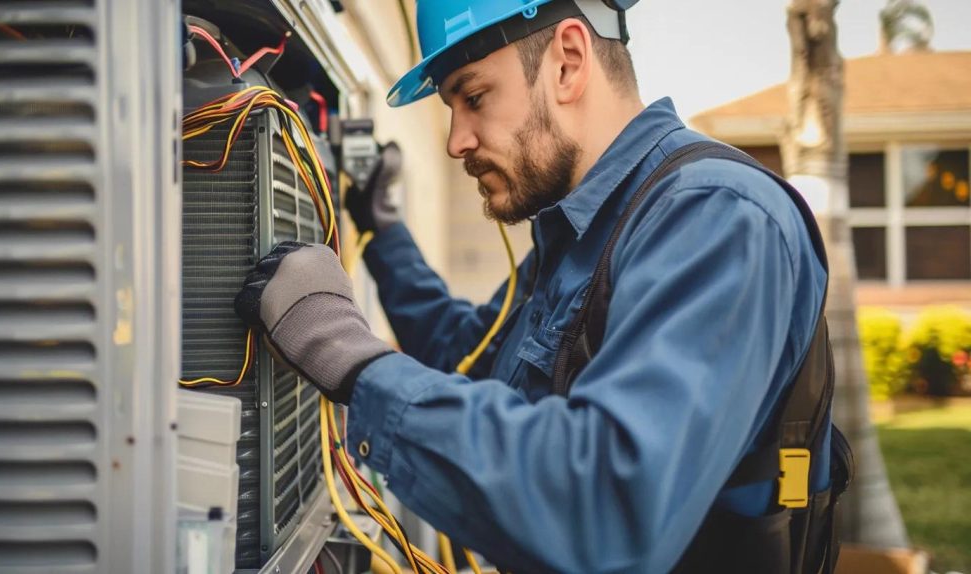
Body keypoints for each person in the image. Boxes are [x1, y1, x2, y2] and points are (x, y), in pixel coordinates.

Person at [235, 1, 845, 572]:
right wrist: (385, 233)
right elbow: (469, 355)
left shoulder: (717, 218)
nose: (455, 142)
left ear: (568, 62)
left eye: (473, 97)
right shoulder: (590, 232)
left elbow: (606, 503)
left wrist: (350, 357)